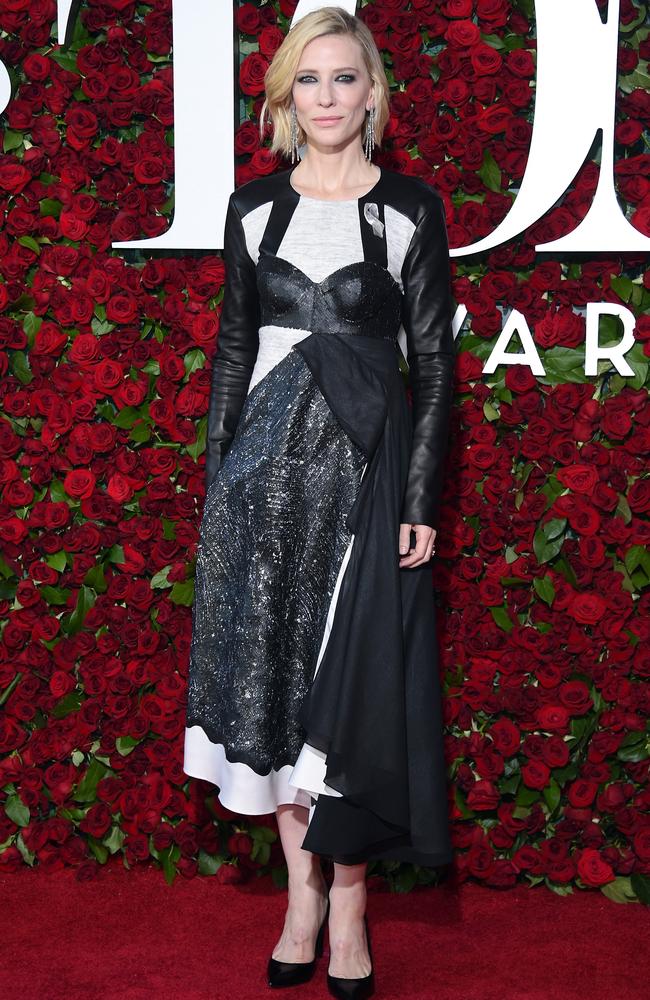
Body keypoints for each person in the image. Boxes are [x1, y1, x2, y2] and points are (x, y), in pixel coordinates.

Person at [183, 6, 456, 998]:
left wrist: (417, 496)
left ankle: (349, 905)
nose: (328, 97)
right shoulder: (254, 209)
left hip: (365, 482)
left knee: (353, 696)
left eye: (344, 78)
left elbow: (432, 362)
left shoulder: (408, 210)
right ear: (283, 96)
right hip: (262, 491)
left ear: (372, 93)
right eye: (309, 80)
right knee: (282, 690)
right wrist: (219, 480)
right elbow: (231, 348)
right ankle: (299, 895)